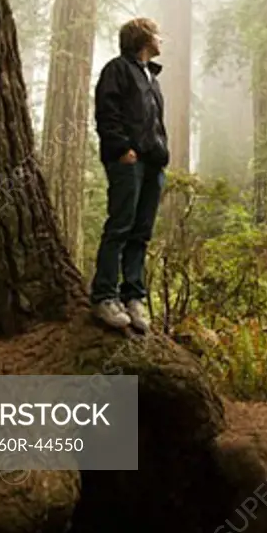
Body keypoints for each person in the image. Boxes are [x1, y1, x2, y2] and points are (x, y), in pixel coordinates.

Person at [90, 17, 169, 331]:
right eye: (158, 34)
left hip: (152, 164)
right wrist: (123, 148)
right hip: (127, 162)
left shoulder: (152, 77)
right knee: (120, 225)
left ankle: (133, 297)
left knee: (141, 231)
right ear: (144, 38)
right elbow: (106, 112)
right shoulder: (117, 69)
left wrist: (160, 156)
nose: (162, 39)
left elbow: (153, 123)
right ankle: (104, 296)